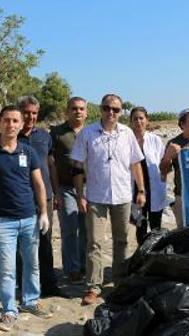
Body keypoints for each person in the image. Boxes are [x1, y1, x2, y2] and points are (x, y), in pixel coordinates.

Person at [0, 105, 52, 331]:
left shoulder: (28, 152)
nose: (11, 125)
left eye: (15, 121)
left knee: (32, 264)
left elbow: (38, 184)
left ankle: (30, 301)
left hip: (29, 218)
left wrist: (44, 212)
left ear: (21, 124)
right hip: (2, 221)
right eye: (7, 120)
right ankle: (9, 310)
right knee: (7, 269)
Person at [71, 93, 146, 305]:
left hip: (123, 195)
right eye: (106, 108)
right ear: (100, 109)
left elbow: (135, 164)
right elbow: (77, 167)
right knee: (94, 242)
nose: (111, 112)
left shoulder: (127, 133)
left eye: (115, 109)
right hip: (95, 196)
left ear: (121, 111)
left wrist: (141, 190)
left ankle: (119, 282)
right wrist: (79, 195)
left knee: (121, 241)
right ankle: (94, 286)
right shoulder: (87, 133)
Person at [16, 96, 65, 298]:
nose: (31, 117)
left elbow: (51, 165)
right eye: (27, 112)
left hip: (45, 197)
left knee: (45, 242)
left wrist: (56, 192)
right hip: (20, 198)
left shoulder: (45, 136)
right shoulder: (10, 136)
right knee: (22, 244)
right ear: (20, 112)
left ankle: (49, 285)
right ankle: (23, 286)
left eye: (34, 113)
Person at [51, 97, 88, 284]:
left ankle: (84, 266)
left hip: (90, 188)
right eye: (74, 108)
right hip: (66, 188)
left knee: (87, 229)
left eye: (81, 109)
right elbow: (51, 164)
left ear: (86, 112)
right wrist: (55, 192)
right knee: (69, 229)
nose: (78, 112)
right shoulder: (57, 133)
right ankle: (72, 269)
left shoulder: (92, 132)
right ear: (67, 111)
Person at [129, 106, 167, 244]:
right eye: (135, 119)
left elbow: (163, 163)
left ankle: (156, 257)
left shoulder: (155, 140)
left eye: (141, 118)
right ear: (130, 121)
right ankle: (142, 255)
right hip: (134, 191)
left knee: (156, 226)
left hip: (154, 189)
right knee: (139, 225)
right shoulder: (126, 140)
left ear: (147, 120)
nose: (138, 122)